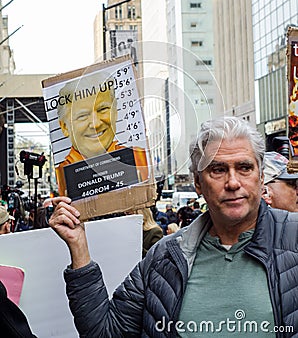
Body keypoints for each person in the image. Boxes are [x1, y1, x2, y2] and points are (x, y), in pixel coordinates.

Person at [49, 116, 298, 336]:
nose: (233, 182)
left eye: (244, 168)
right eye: (218, 170)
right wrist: (78, 247)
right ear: (198, 184)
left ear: (261, 176)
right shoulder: (165, 257)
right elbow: (106, 332)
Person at [55, 75, 149, 195]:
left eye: (103, 109)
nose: (95, 124)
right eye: (82, 116)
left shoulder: (140, 159)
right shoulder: (62, 176)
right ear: (64, 127)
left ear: (115, 112)